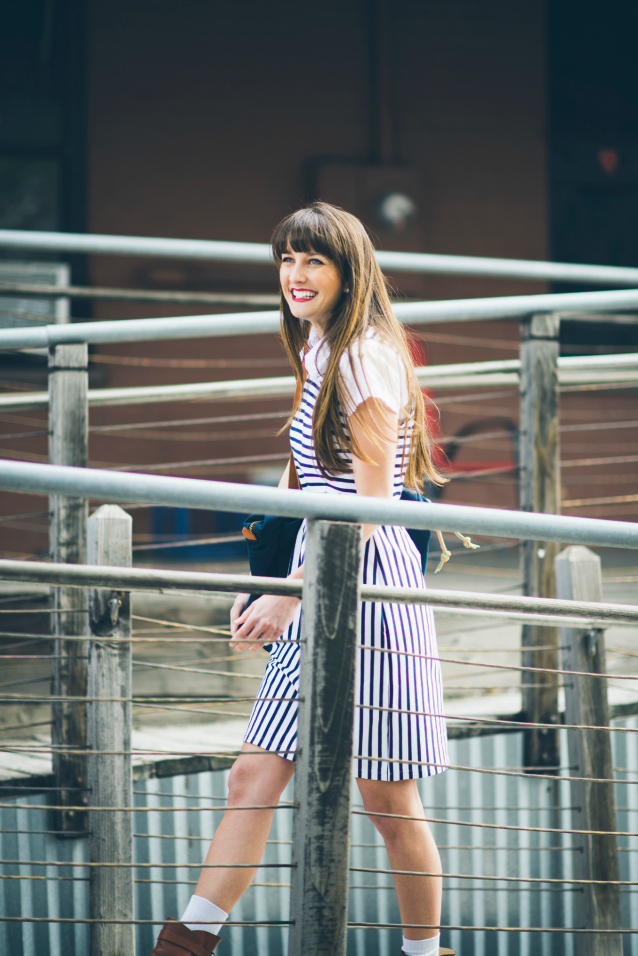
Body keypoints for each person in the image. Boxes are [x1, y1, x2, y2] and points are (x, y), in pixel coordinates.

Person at [149, 202, 453, 956]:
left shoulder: (364, 355)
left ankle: (424, 954)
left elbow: (375, 505)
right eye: (287, 258)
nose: (296, 274)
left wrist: (289, 589)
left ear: (350, 271)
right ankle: (185, 945)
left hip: (369, 587)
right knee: (252, 776)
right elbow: (302, 483)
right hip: (312, 571)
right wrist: (265, 578)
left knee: (386, 798)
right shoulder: (321, 346)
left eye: (314, 260)